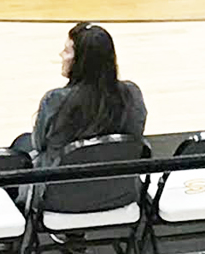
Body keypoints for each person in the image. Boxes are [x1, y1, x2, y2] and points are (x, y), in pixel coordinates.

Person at [32, 22, 147, 169]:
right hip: (118, 184)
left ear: (81, 61)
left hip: (61, 186)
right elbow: (136, 134)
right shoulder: (132, 94)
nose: (61, 55)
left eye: (67, 51)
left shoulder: (55, 100)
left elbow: (39, 144)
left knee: (23, 144)